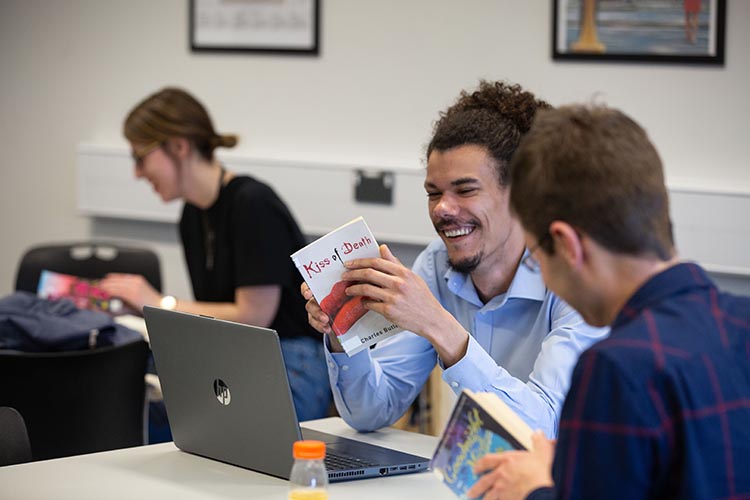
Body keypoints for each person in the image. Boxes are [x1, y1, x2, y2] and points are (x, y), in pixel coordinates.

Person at [468, 104, 750, 500]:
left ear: (566, 245)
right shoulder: (742, 322)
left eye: (536, 255)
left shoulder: (615, 370)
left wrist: (535, 490)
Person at [302, 81, 608, 435]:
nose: (443, 209)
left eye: (465, 190)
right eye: (434, 193)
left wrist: (437, 324)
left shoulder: (577, 277)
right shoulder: (436, 264)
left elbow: (543, 430)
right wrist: (341, 330)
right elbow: (371, 411)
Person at [100, 87, 331, 421]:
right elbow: (217, 318)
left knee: (149, 422)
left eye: (140, 158)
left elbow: (254, 318)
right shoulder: (191, 216)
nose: (137, 173)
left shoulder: (253, 203)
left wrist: (157, 303)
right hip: (238, 357)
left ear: (179, 146)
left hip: (291, 361)